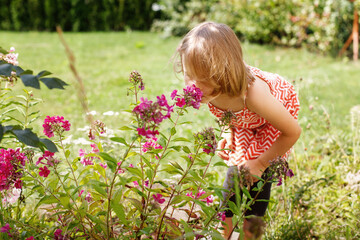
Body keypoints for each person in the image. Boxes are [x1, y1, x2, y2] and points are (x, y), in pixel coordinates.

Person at [175, 22, 301, 239]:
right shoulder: (209, 89)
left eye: (203, 78)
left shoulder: (253, 96)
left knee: (257, 188)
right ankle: (225, 236)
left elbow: (293, 132)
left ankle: (251, 235)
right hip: (247, 119)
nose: (193, 86)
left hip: (274, 121)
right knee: (231, 188)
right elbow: (226, 112)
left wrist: (260, 163)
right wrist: (227, 130)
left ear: (225, 71)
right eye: (189, 75)